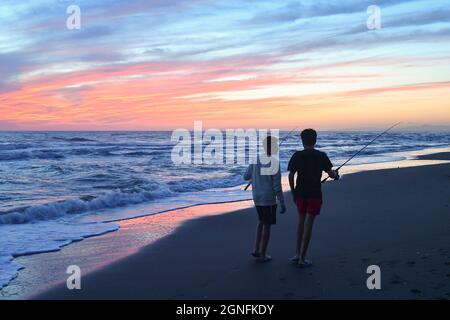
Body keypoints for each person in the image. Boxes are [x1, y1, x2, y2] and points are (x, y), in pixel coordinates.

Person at [288, 129, 339, 267]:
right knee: (308, 224)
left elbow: (291, 176)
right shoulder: (321, 156)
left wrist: (293, 192)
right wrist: (335, 174)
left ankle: (297, 254)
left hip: (300, 194)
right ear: (315, 140)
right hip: (314, 194)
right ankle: (302, 258)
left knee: (301, 222)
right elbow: (332, 174)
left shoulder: (297, 156)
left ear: (302, 140)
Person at [244, 136, 286, 262]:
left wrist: (254, 177)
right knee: (267, 225)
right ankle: (263, 254)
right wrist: (282, 202)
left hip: (256, 197)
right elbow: (277, 186)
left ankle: (256, 249)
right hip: (268, 199)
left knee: (261, 221)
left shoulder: (255, 159)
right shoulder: (274, 162)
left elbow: (245, 176)